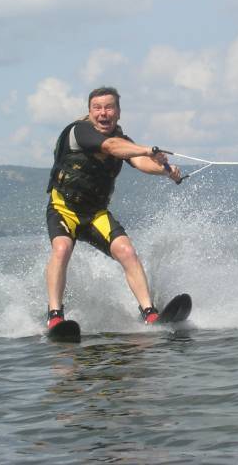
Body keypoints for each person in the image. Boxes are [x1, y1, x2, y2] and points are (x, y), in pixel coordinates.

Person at [44, 86, 181, 329]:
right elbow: (110, 147)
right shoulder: (79, 132)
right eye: (97, 108)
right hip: (64, 209)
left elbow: (139, 162)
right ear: (89, 112)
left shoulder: (124, 142)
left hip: (96, 213)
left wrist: (164, 171)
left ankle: (149, 313)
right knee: (62, 248)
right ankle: (55, 315)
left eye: (109, 107)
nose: (103, 113)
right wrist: (146, 149)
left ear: (118, 112)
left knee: (127, 251)